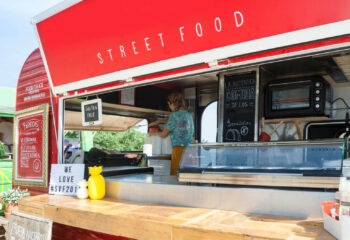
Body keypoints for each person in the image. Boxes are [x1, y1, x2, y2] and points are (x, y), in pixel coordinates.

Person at [148, 92, 194, 175]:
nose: (170, 107)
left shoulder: (174, 115)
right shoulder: (188, 115)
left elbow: (163, 134)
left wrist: (153, 133)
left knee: (176, 177)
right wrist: (159, 121)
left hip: (179, 151)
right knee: (187, 176)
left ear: (173, 103)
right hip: (190, 151)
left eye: (169, 104)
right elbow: (177, 122)